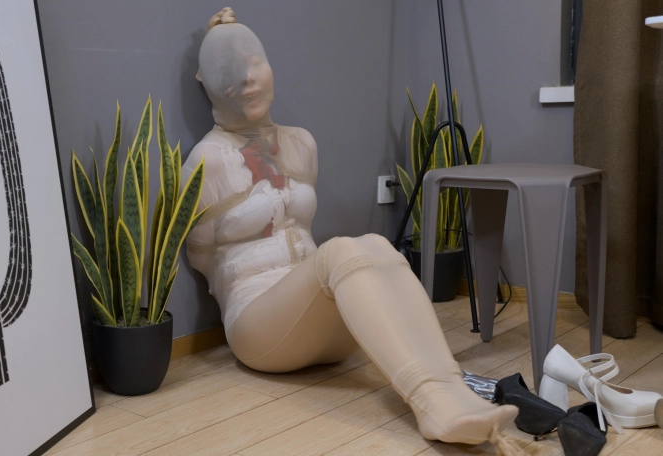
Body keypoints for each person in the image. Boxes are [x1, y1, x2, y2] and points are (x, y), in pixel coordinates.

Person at [181, 8, 520, 453]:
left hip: (327, 329)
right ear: (209, 85)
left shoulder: (302, 144)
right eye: (228, 72)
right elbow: (203, 260)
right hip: (258, 329)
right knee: (340, 250)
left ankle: (454, 391)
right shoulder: (205, 162)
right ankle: (435, 406)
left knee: (376, 243)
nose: (246, 79)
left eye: (254, 63)